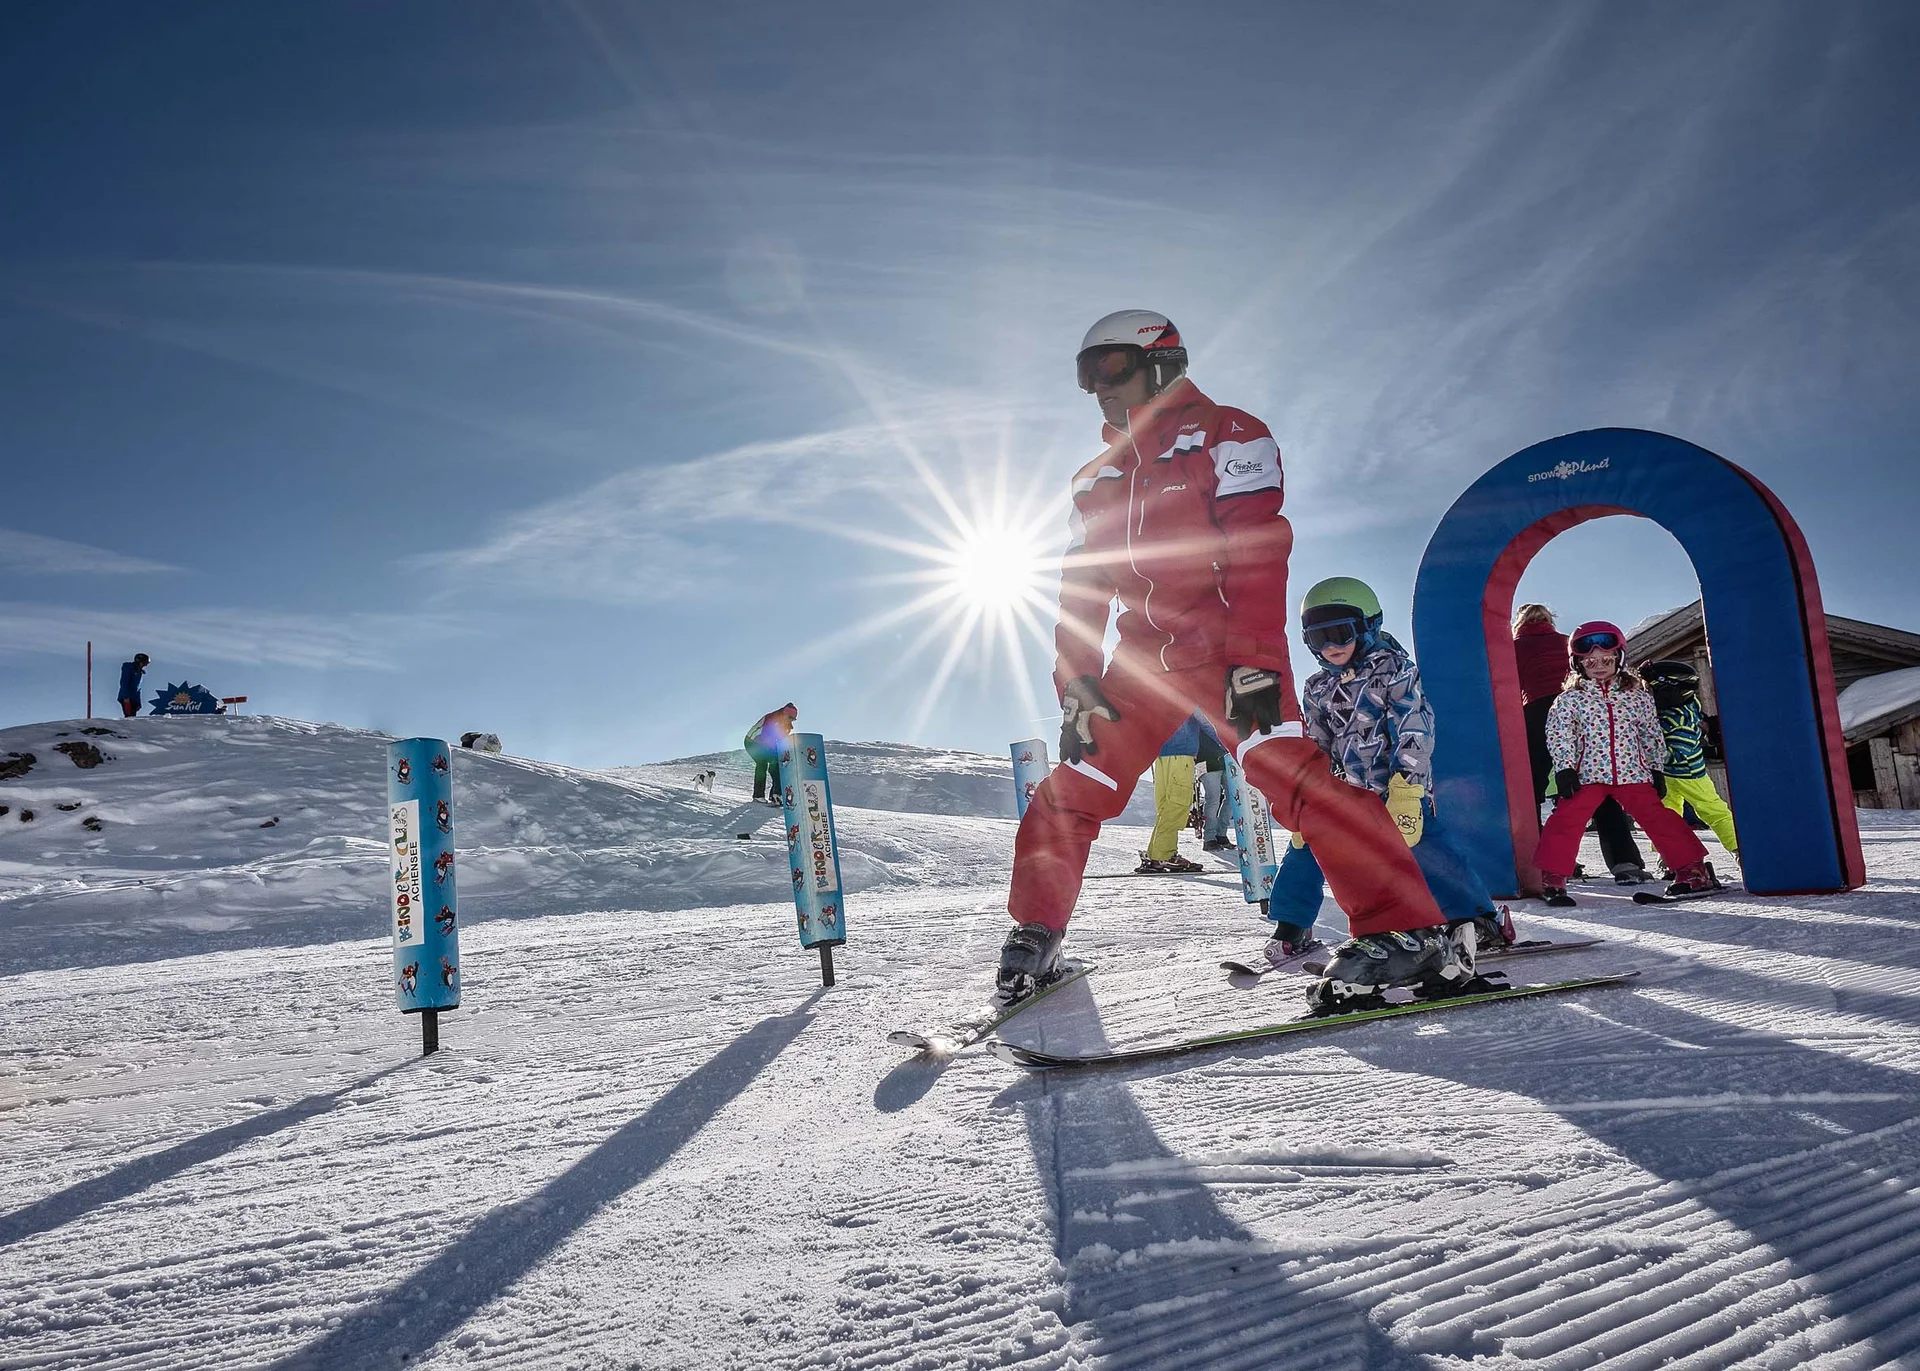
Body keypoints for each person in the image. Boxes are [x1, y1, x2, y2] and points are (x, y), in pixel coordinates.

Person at [999, 309, 1464, 1015]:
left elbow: (1257, 553)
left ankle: (1404, 928)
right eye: (1086, 373)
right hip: (1140, 662)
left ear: (1161, 361)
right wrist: (1078, 683)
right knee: (1073, 786)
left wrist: (1253, 663)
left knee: (1289, 776)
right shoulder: (1095, 478)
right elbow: (1082, 586)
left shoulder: (1230, 435)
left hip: (1225, 650)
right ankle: (1036, 935)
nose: (1098, 386)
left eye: (1112, 366)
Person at [1266, 578, 1516, 971]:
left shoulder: (1395, 671)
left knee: (1429, 853)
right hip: (1344, 794)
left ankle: (1477, 919)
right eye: (1317, 639)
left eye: (1340, 633)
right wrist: (1307, 795)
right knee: (1305, 850)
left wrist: (1407, 789)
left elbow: (1415, 727)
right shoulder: (1316, 687)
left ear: (1368, 626)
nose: (1330, 645)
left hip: (1399, 790)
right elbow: (1316, 742)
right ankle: (1292, 927)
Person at [1534, 623, 1721, 903]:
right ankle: (1552, 877)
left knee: (1659, 818)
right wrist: (1564, 768)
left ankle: (1692, 871)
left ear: (1619, 659)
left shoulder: (1636, 696)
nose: (1599, 666)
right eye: (1591, 661)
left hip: (1632, 772)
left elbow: (1650, 732)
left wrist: (1656, 767)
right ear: (1578, 663)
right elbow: (1560, 734)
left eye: (1606, 660)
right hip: (1588, 774)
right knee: (1565, 820)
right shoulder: (1570, 700)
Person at [1512, 604, 1652, 883]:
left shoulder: (1514, 647)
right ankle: (1625, 863)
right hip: (1581, 709)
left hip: (1536, 713)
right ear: (1549, 620)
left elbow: (1507, 686)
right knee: (1595, 781)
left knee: (1530, 793)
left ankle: (1544, 864)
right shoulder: (1568, 642)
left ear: (1520, 622)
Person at [1640, 659, 1739, 860]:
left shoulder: (1680, 721)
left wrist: (1645, 755)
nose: (1645, 695)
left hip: (1689, 774)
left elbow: (1678, 753)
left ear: (1668, 692)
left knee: (1711, 809)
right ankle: (1667, 856)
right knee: (1665, 813)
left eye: (1649, 690)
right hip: (1667, 774)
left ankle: (1739, 849)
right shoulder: (1683, 705)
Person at [1138, 717, 1206, 873]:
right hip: (1181, 752)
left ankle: (1157, 853)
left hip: (1161, 754)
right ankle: (1163, 855)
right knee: (1178, 803)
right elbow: (1207, 720)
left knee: (1167, 805)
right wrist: (1228, 744)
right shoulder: (1188, 694)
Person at [745, 703, 797, 805]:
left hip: (767, 745)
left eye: (793, 719)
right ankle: (758, 795)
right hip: (752, 741)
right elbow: (765, 736)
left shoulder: (787, 727)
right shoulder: (772, 718)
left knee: (777, 765)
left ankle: (775, 795)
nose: (790, 720)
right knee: (762, 762)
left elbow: (782, 741)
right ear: (784, 713)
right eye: (789, 717)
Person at [1194, 719, 1234, 852]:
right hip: (1205, 761)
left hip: (1225, 760)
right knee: (1213, 799)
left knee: (1233, 797)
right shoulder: (1198, 712)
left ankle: (1221, 834)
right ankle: (1209, 838)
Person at [116, 653, 149, 718]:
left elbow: (138, 689)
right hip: (126, 697)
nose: (145, 665)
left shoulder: (139, 672)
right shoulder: (128, 668)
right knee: (129, 716)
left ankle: (129, 727)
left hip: (133, 699)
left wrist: (138, 703)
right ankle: (126, 727)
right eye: (144, 663)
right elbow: (124, 682)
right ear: (140, 662)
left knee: (132, 716)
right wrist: (126, 697)